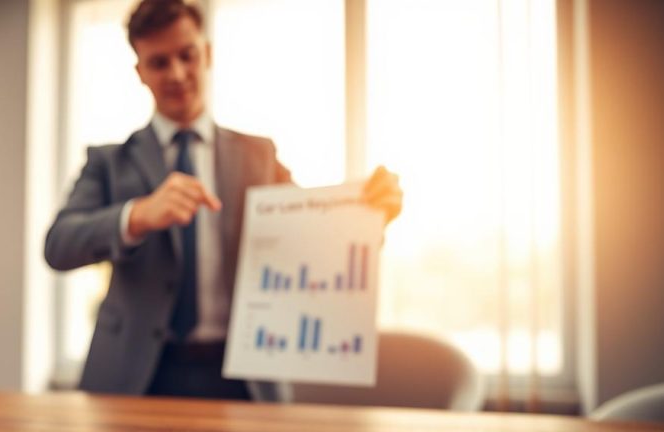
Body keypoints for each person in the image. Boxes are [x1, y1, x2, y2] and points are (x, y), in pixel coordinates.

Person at [45, 0, 402, 401]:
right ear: (140, 72)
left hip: (241, 377)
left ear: (208, 54)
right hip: (137, 376)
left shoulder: (259, 155)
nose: (177, 73)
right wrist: (137, 215)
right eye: (159, 62)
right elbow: (58, 246)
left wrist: (370, 218)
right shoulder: (109, 161)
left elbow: (313, 241)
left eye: (187, 55)